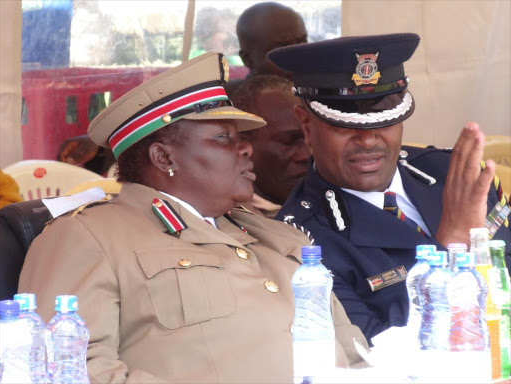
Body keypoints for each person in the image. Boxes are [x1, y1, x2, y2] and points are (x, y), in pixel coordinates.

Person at [19, 52, 368, 383]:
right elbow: (67, 370)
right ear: (163, 158)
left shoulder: (277, 236)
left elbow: (351, 348)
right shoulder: (88, 237)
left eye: (241, 138)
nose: (246, 148)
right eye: (223, 138)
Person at [268, 33, 511, 342]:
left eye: (383, 120)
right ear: (306, 125)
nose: (368, 140)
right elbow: (371, 353)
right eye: (345, 125)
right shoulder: (299, 243)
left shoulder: (449, 173)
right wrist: (453, 252)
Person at [57, 2, 308, 170]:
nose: (299, 54)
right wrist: (103, 146)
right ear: (247, 59)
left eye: (303, 41)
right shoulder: (224, 101)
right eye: (283, 48)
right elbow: (161, 131)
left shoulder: (322, 91)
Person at [231, 75, 310, 217]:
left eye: (312, 140)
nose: (307, 155)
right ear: (243, 145)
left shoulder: (335, 204)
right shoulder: (226, 221)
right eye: (288, 141)